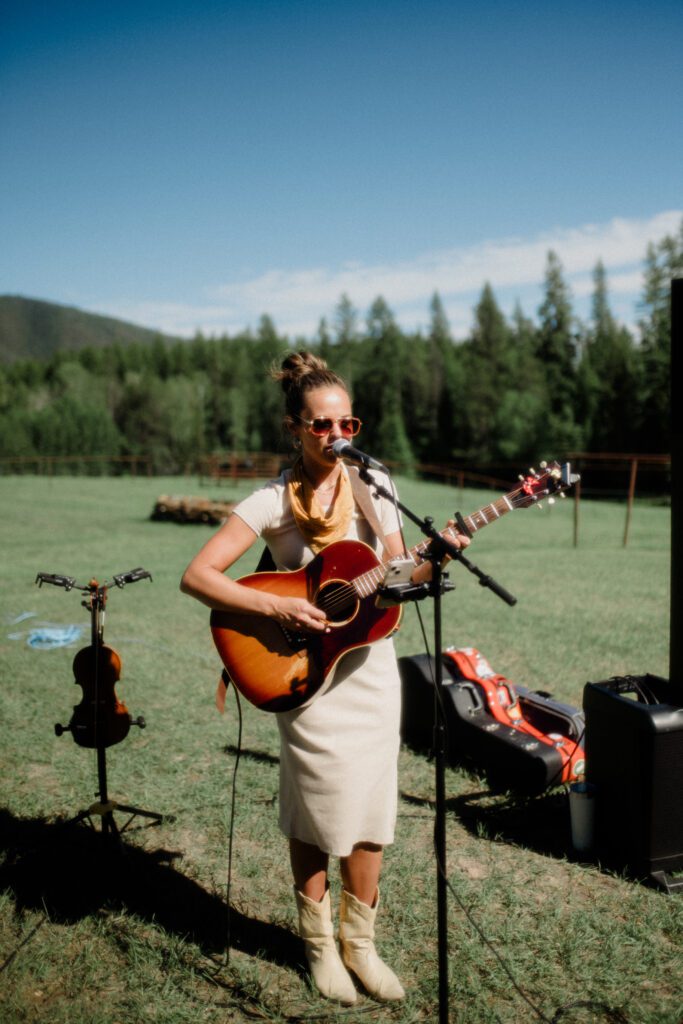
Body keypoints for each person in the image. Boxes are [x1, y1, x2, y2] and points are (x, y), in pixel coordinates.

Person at [180, 351, 469, 1004]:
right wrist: (277, 604)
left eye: (347, 423)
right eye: (319, 425)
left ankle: (360, 946)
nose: (335, 436)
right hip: (305, 677)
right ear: (293, 427)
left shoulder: (373, 483)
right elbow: (198, 576)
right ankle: (318, 949)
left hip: (367, 673)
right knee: (315, 816)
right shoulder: (270, 500)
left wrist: (437, 555)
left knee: (369, 810)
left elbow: (398, 575)